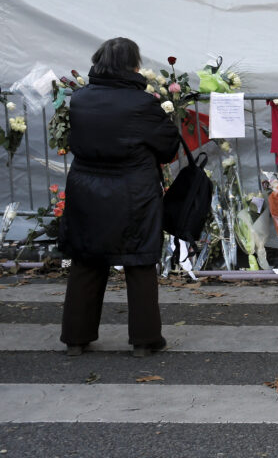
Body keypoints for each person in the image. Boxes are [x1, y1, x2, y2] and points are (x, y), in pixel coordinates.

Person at [59, 37, 181, 357]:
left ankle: (75, 338)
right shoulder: (141, 104)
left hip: (86, 189)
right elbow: (168, 147)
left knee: (86, 260)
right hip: (133, 192)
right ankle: (144, 340)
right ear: (133, 65)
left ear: (98, 61)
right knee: (138, 261)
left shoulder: (80, 99)